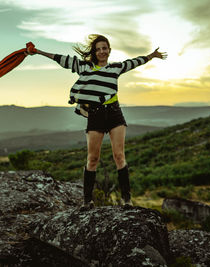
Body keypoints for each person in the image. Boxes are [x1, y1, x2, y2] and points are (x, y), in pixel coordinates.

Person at [25, 34, 167, 210]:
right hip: (96, 115)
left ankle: (126, 200)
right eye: (98, 49)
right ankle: (87, 201)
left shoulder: (116, 68)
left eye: (104, 48)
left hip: (115, 113)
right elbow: (62, 60)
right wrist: (38, 51)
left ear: (109, 50)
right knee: (92, 159)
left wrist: (151, 56)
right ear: (94, 51)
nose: (102, 51)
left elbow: (134, 62)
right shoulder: (84, 67)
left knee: (119, 156)